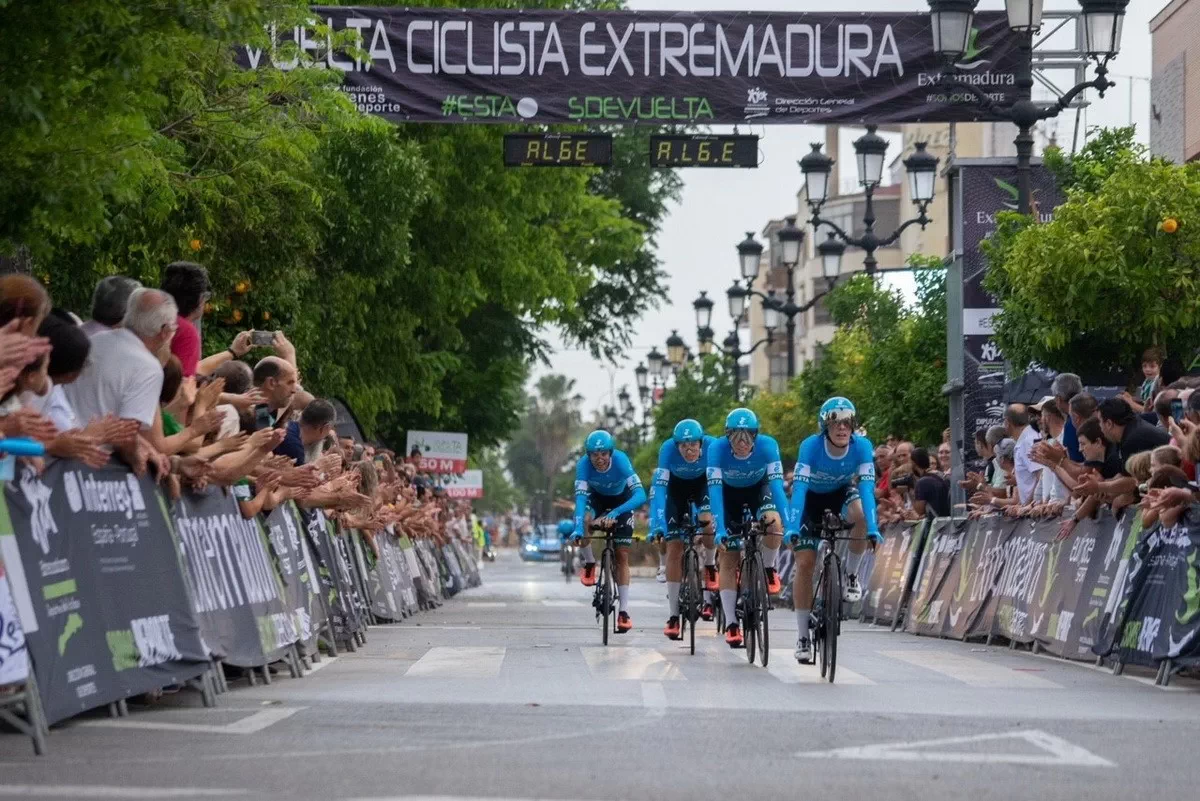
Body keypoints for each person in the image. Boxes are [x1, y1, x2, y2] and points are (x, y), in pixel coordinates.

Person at [787, 397, 880, 664]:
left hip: (841, 493)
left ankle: (851, 575)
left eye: (848, 423)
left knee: (860, 515)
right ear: (824, 426)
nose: (842, 428)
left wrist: (872, 527)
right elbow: (800, 489)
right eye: (835, 423)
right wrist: (793, 526)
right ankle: (803, 636)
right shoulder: (811, 447)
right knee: (805, 564)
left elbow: (866, 489)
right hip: (810, 501)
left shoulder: (862, 446)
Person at [707, 407, 792, 649]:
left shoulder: (768, 445)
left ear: (755, 436)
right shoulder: (716, 449)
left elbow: (777, 487)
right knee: (728, 556)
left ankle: (768, 567)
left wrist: (790, 523)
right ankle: (732, 623)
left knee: (773, 522)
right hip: (728, 494)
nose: (742, 442)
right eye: (735, 436)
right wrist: (720, 528)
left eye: (747, 436)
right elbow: (714, 492)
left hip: (759, 489)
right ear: (727, 436)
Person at [570, 430, 647, 633]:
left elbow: (641, 494)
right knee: (585, 521)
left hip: (621, 502)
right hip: (596, 500)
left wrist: (615, 513)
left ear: (610, 453)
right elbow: (580, 499)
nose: (600, 458)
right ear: (588, 455)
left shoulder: (621, 460)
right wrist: (578, 528)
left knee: (622, 555)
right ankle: (589, 562)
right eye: (594, 454)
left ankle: (624, 612)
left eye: (604, 453)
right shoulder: (583, 466)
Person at [646, 418, 717, 640]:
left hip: (703, 486)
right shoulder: (666, 449)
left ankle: (710, 564)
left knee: (706, 521)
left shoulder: (713, 446)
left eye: (693, 445)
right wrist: (657, 525)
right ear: (676, 445)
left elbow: (720, 484)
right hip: (675, 491)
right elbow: (659, 490)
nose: (689, 450)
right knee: (674, 548)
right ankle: (674, 616)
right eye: (684, 446)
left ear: (701, 443)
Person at [911, 448, 951, 518]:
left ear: (913, 463)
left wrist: (911, 491)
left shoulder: (922, 482)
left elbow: (919, 511)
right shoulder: (940, 475)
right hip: (947, 520)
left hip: (936, 524)